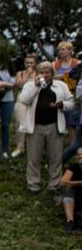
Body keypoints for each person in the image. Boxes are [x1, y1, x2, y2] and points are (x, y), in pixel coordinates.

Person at [17, 61, 74, 193]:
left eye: (47, 72)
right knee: (33, 158)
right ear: (37, 74)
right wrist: (36, 86)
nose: (44, 74)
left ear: (52, 73)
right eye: (41, 72)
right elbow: (24, 100)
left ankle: (54, 185)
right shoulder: (30, 85)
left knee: (55, 158)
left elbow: (71, 102)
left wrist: (61, 105)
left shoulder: (61, 86)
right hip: (35, 127)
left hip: (54, 126)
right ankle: (33, 185)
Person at [12, 54, 38, 158]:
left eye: (31, 62)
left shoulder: (39, 73)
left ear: (35, 63)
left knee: (34, 125)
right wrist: (27, 75)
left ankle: (32, 148)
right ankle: (19, 146)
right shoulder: (20, 73)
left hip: (35, 102)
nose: (29, 64)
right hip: (21, 101)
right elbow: (19, 85)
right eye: (27, 62)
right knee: (20, 123)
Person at [61, 149, 82, 233]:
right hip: (75, 196)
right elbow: (63, 182)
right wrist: (80, 182)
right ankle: (70, 221)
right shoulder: (73, 166)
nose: (80, 156)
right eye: (78, 155)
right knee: (68, 189)